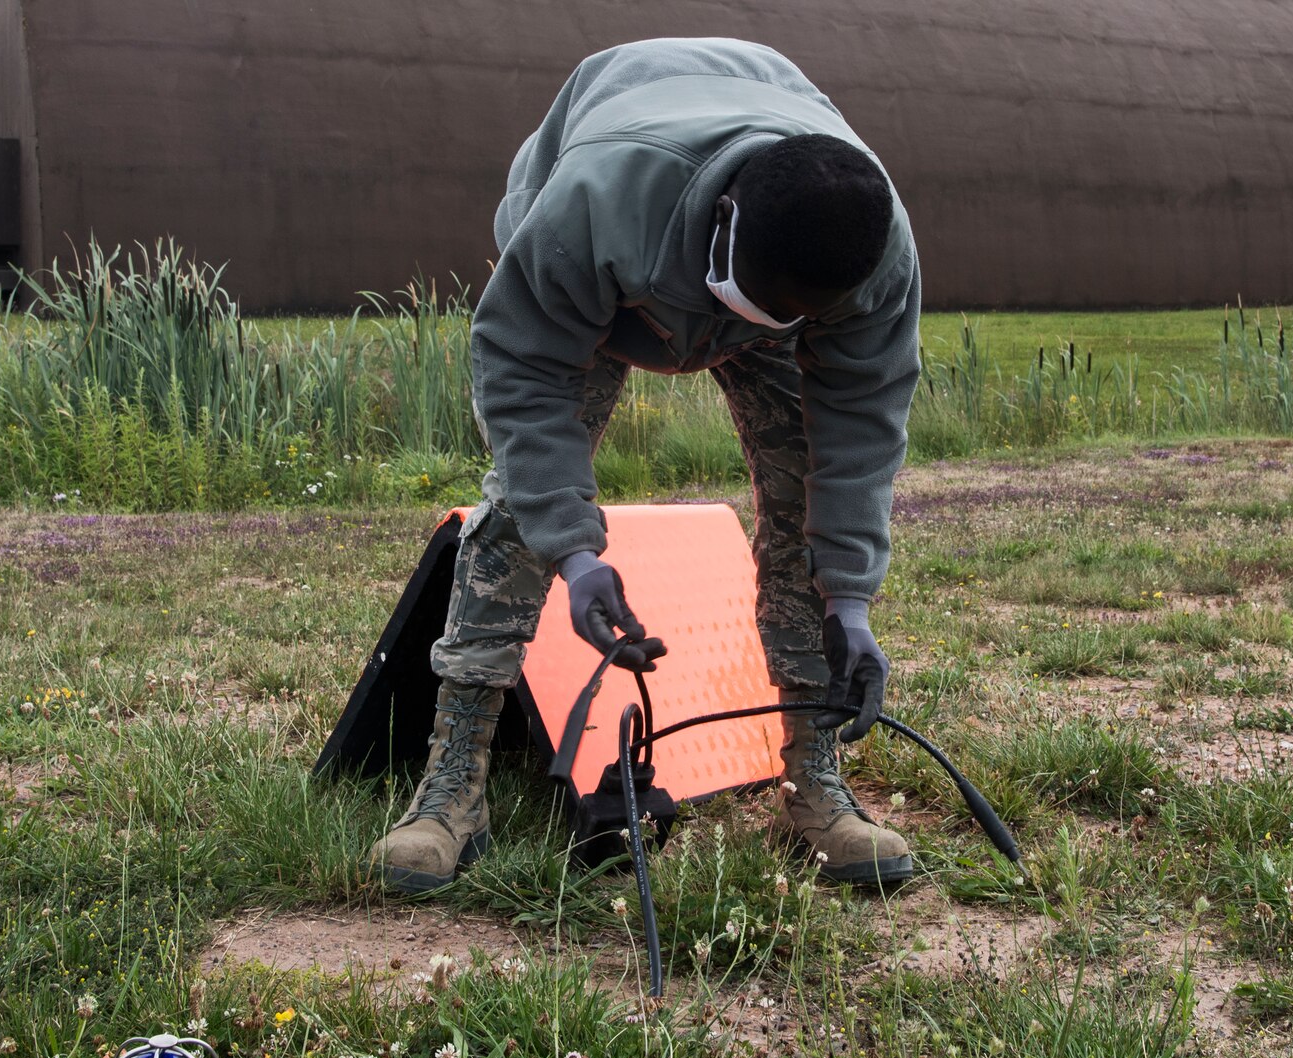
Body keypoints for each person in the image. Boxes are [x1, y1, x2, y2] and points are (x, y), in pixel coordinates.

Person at [367, 37, 922, 896]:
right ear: (727, 219)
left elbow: (862, 431)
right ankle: (452, 788)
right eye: (752, 308)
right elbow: (524, 371)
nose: (761, 330)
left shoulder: (874, 252)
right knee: (521, 506)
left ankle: (813, 781)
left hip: (765, 250)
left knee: (805, 486)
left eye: (792, 320)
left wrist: (849, 596)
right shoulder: (594, 199)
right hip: (611, 262)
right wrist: (577, 554)